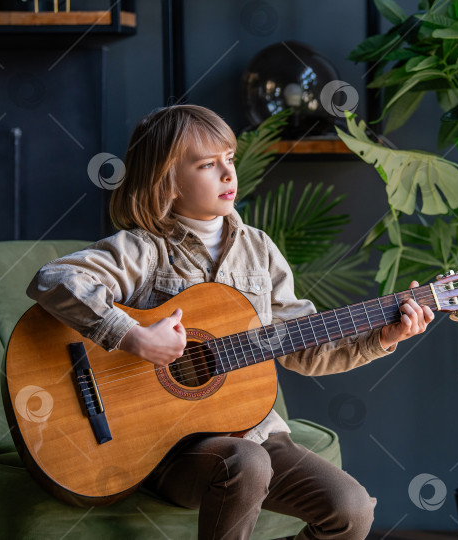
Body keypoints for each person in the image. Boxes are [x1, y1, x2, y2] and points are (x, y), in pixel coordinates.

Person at [27, 104, 435, 539]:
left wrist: (383, 338)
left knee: (351, 510)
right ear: (167, 183)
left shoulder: (259, 250)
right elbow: (54, 278)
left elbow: (307, 350)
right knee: (246, 462)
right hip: (164, 446)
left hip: (257, 433)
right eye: (207, 165)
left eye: (230, 159)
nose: (227, 174)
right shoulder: (144, 249)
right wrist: (133, 337)